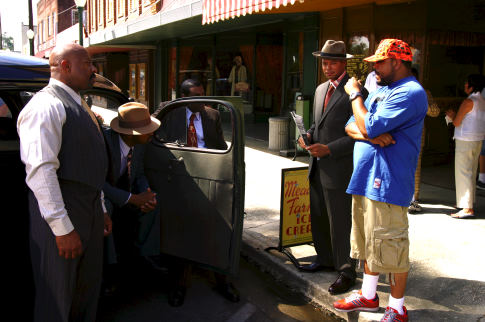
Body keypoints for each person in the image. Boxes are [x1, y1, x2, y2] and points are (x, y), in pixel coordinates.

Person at [333, 39, 427, 322]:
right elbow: (352, 125)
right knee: (367, 244)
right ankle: (369, 295)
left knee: (392, 245)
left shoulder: (410, 92)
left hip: (388, 183)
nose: (373, 67)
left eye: (379, 62)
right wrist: (371, 134)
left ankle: (397, 308)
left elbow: (366, 121)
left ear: (396, 62)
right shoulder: (381, 90)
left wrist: (354, 95)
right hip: (364, 179)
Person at [17, 43, 112, 322]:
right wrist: (61, 229)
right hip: (64, 214)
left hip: (89, 210)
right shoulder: (46, 105)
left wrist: (102, 207)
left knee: (85, 293)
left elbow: (89, 162)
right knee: (57, 301)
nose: (93, 70)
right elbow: (41, 170)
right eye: (87, 64)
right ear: (65, 66)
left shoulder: (78, 101)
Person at [159, 79, 237, 307]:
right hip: (180, 178)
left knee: (218, 228)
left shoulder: (212, 115)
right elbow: (154, 138)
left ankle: (222, 281)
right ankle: (180, 284)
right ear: (184, 97)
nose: (202, 101)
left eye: (204, 95)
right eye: (196, 96)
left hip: (209, 177)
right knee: (184, 232)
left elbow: (221, 146)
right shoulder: (169, 111)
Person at [298, 40, 361, 295]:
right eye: (324, 62)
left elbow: (359, 133)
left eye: (332, 62)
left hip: (340, 168)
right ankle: (324, 259)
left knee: (340, 222)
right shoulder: (321, 89)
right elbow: (317, 125)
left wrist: (330, 149)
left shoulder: (355, 92)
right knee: (320, 217)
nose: (327, 67)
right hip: (317, 165)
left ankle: (346, 269)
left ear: (343, 62)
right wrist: (307, 137)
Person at [102, 102, 161, 294]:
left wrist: (146, 193)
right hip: (106, 195)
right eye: (146, 130)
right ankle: (111, 268)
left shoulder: (140, 144)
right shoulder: (104, 142)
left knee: (155, 202)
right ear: (130, 133)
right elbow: (98, 183)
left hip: (127, 190)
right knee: (107, 209)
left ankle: (144, 255)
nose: (151, 134)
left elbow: (140, 174)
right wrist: (130, 199)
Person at [445, 74, 485, 219]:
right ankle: (467, 202)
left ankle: (467, 208)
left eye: (466, 83)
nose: (464, 86)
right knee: (471, 171)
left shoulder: (469, 101)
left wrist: (451, 115)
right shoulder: (482, 100)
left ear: (472, 86)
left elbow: (456, 122)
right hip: (477, 139)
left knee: (463, 172)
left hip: (465, 139)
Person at [408, 68, 441, 213]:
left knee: (415, 168)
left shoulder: (424, 93)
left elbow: (435, 112)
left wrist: (421, 100)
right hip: (396, 135)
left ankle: (413, 200)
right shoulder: (393, 90)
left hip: (417, 135)